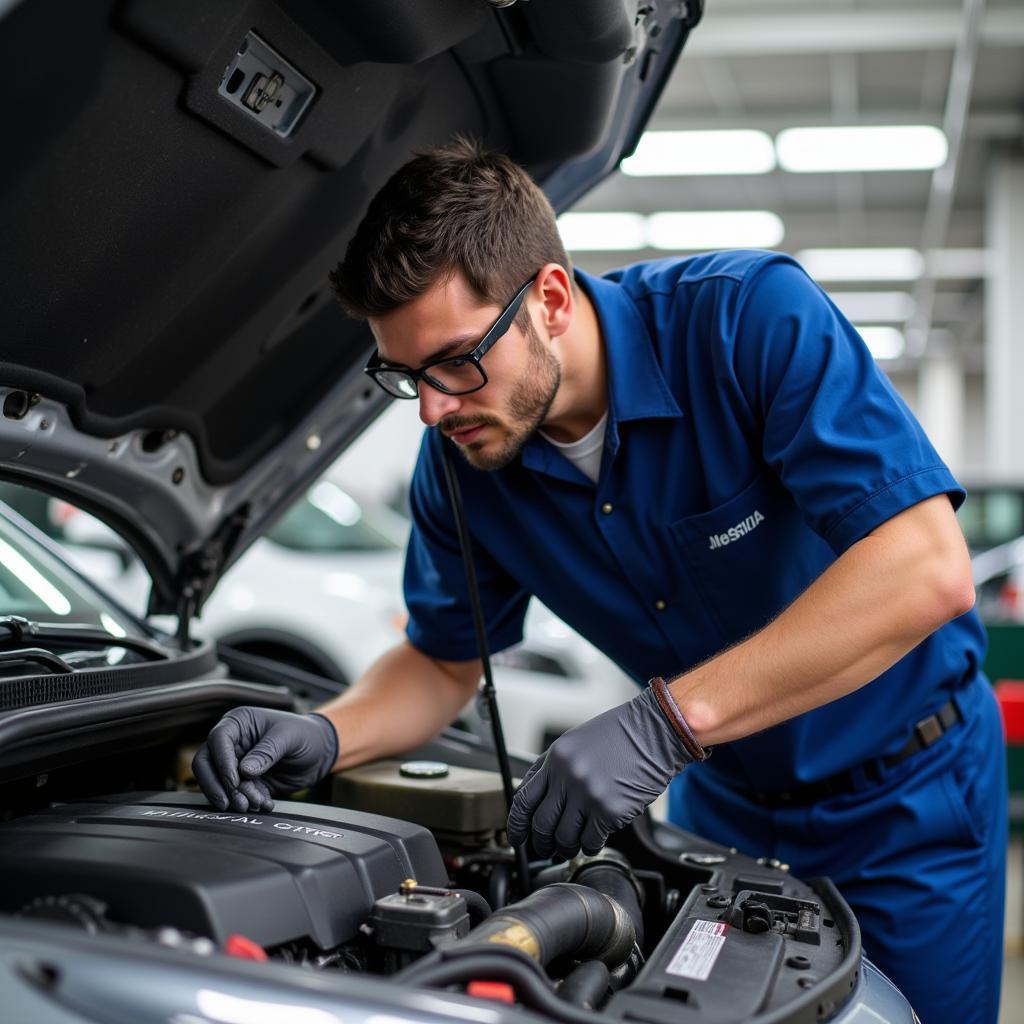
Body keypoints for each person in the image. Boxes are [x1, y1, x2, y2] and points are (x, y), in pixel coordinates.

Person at [192, 139, 1006, 1024]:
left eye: (457, 362)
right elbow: (441, 663)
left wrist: (665, 724)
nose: (432, 408)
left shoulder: (746, 323)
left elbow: (925, 570)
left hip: (907, 803)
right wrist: (327, 731)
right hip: (723, 807)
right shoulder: (464, 467)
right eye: (405, 376)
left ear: (548, 297)